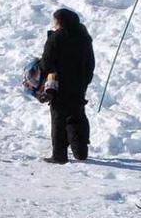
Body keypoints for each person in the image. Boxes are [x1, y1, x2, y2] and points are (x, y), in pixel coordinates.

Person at [39, 9, 95, 165]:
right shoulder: (84, 37)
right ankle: (80, 151)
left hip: (60, 84)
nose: (53, 22)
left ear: (60, 21)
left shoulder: (56, 38)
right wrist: (85, 80)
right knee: (77, 116)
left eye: (54, 19)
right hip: (79, 84)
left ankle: (59, 155)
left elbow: (46, 64)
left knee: (59, 118)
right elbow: (91, 63)